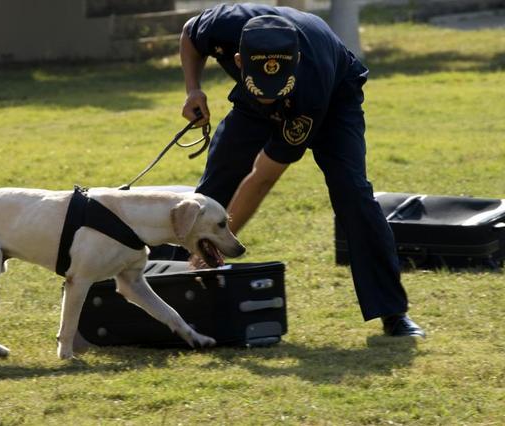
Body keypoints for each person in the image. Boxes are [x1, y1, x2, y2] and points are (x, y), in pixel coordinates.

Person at [179, 3, 424, 337]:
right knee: (217, 182)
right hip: (256, 100)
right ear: (240, 61)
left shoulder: (310, 88)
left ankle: (392, 312)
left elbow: (262, 178)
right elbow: (190, 34)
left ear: (294, 64)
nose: (270, 100)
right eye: (261, 89)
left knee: (351, 191)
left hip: (334, 97)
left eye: (274, 90)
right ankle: (173, 284)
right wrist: (193, 89)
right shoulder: (224, 25)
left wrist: (220, 245)